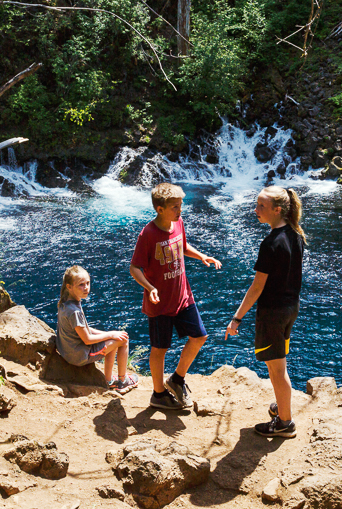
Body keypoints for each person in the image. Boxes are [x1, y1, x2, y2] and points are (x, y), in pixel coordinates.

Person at [130, 183, 222, 410]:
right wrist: (150, 287)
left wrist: (201, 256)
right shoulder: (148, 234)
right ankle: (158, 394)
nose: (180, 210)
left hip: (183, 296)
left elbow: (181, 245)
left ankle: (177, 379)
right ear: (160, 209)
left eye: (180, 205)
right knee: (160, 349)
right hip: (160, 303)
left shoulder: (178, 222)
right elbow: (135, 268)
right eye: (174, 206)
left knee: (199, 337)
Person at [225, 186, 305, 438]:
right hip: (290, 308)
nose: (255, 210)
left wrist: (237, 318)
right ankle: (281, 408)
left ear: (277, 210)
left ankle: (284, 423)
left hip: (273, 313)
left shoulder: (271, 243)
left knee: (277, 370)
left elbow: (257, 286)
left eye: (261, 206)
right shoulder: (295, 234)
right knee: (279, 364)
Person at [56, 265, 139, 393]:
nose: (86, 288)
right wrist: (110, 334)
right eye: (81, 285)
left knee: (115, 338)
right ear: (69, 286)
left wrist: (110, 335)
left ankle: (109, 380)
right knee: (123, 340)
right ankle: (122, 382)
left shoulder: (65, 302)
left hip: (69, 351)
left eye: (88, 283)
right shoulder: (74, 312)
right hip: (79, 355)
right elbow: (88, 339)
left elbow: (85, 329)